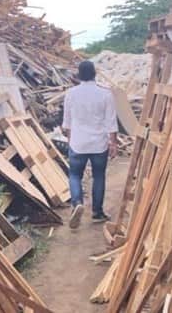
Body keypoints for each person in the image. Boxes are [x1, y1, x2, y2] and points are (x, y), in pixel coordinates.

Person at [62, 60, 118, 229]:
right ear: (94, 74)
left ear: (79, 75)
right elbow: (111, 121)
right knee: (99, 176)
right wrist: (113, 143)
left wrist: (71, 139)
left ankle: (77, 202)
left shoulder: (71, 93)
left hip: (78, 142)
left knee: (74, 175)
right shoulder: (106, 94)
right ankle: (97, 212)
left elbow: (67, 123)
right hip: (98, 144)